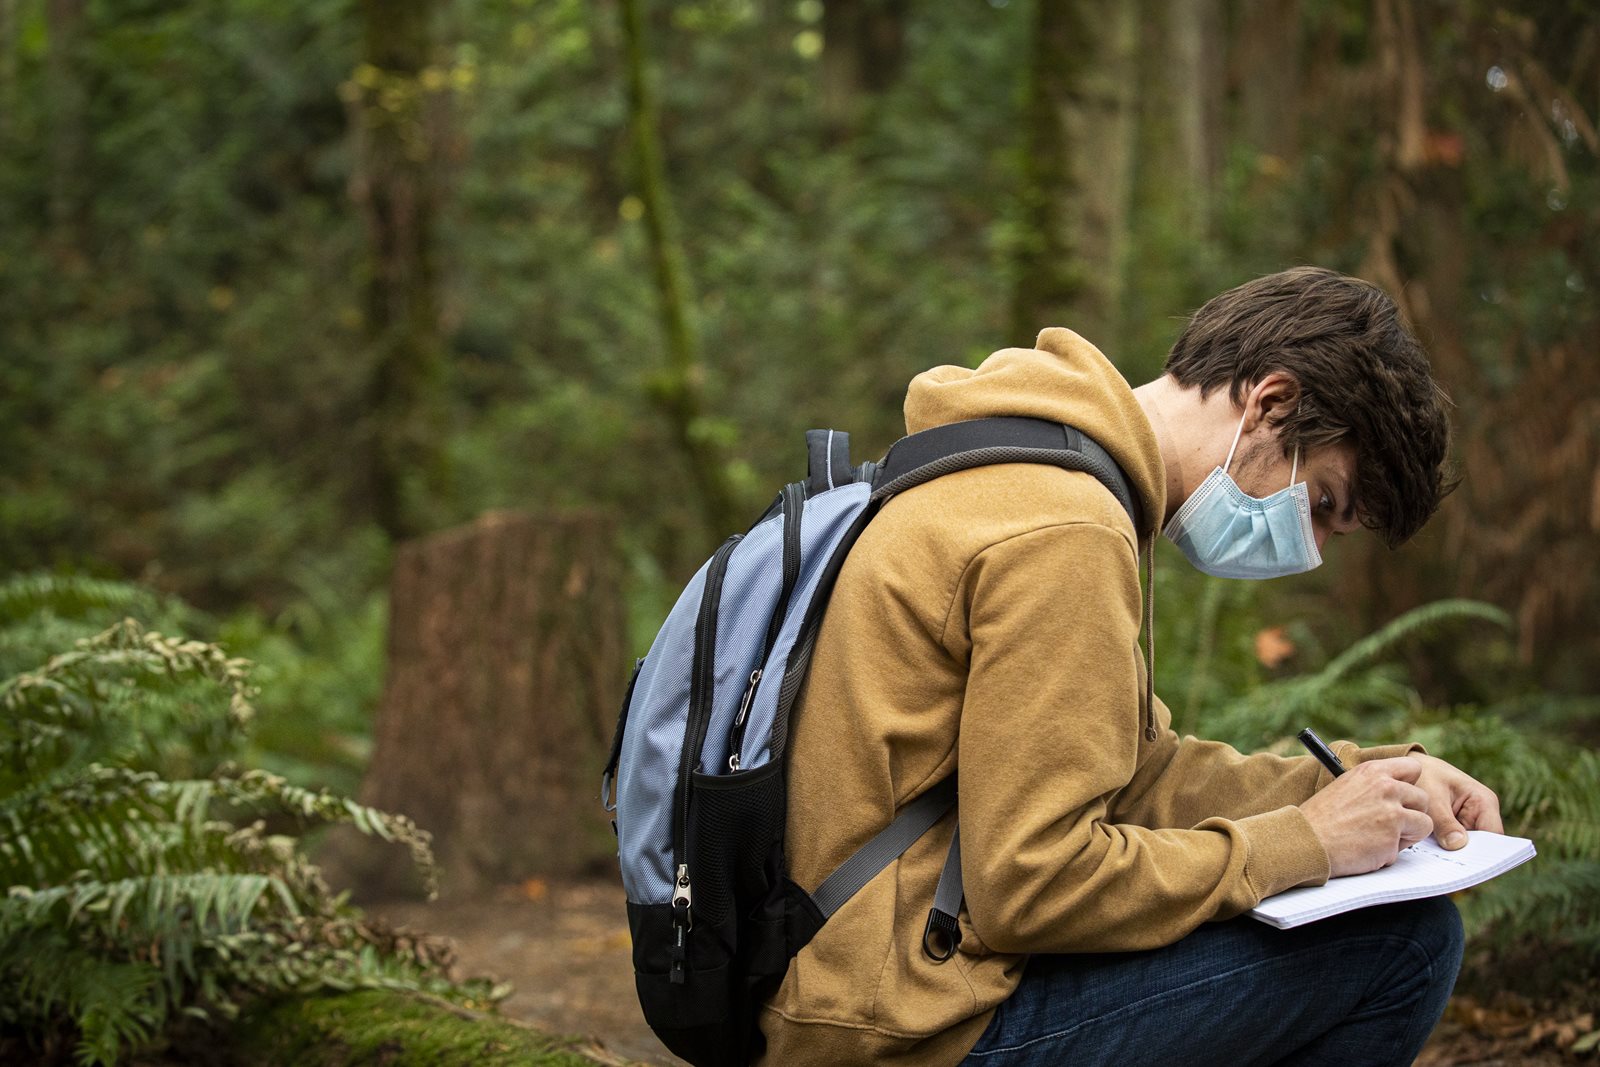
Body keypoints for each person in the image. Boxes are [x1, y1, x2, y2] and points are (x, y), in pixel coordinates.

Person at [757, 267, 1503, 1067]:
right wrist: (1298, 844)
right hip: (900, 1023)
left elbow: (1142, 778)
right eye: (1322, 503)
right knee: (1403, 947)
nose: (1313, 551)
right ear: (1271, 403)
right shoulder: (1065, 530)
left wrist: (1361, 785)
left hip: (847, 977)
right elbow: (1033, 885)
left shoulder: (1031, 467)